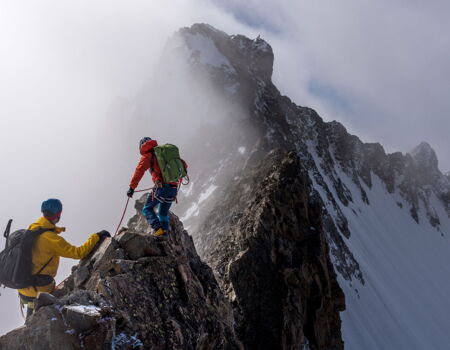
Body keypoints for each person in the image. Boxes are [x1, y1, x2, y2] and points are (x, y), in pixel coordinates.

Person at [18, 198, 110, 318]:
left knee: (31, 311)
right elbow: (78, 253)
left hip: (22, 288)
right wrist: (97, 236)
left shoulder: (33, 228)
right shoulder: (51, 238)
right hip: (39, 289)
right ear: (58, 215)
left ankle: (30, 319)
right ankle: (33, 318)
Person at [127, 137, 187, 237]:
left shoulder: (149, 155)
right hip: (173, 189)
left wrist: (132, 188)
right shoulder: (163, 152)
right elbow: (183, 165)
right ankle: (164, 235)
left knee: (147, 209)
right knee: (163, 213)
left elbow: (140, 170)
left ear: (142, 146)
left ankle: (158, 229)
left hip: (162, 187)